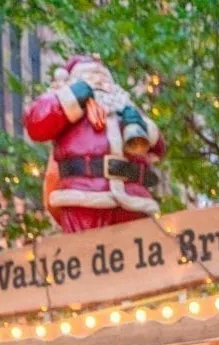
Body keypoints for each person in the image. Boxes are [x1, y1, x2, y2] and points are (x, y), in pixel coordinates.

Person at [25, 54, 164, 233]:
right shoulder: (66, 106)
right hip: (84, 199)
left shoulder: (125, 107)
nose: (99, 79)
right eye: (91, 75)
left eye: (103, 76)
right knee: (87, 255)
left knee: (139, 255)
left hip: (135, 202)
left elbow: (158, 149)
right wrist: (72, 96)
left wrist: (144, 126)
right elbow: (35, 123)